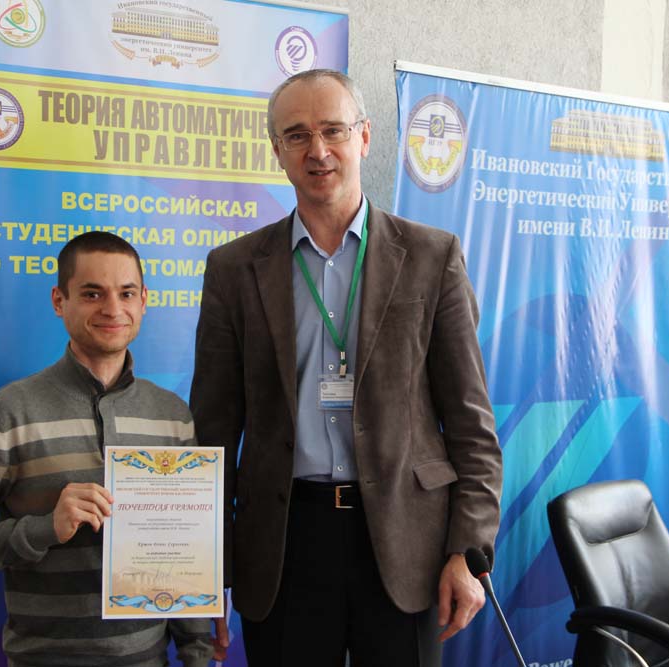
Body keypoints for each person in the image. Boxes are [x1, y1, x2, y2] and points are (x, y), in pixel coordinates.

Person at [190, 69, 503, 666]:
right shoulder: (234, 269)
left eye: (333, 130)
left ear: (363, 137)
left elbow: (471, 425)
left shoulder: (432, 257)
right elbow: (213, 430)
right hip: (283, 544)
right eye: (297, 135)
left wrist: (469, 550)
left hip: (406, 543)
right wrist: (206, 567)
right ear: (277, 150)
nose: (318, 150)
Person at [0, 231, 227, 667]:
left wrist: (197, 651)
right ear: (59, 300)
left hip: (148, 659)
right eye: (92, 293)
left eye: (126, 293)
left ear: (144, 300)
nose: (113, 308)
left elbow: (185, 547)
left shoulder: (171, 416)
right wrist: (45, 529)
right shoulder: (9, 412)